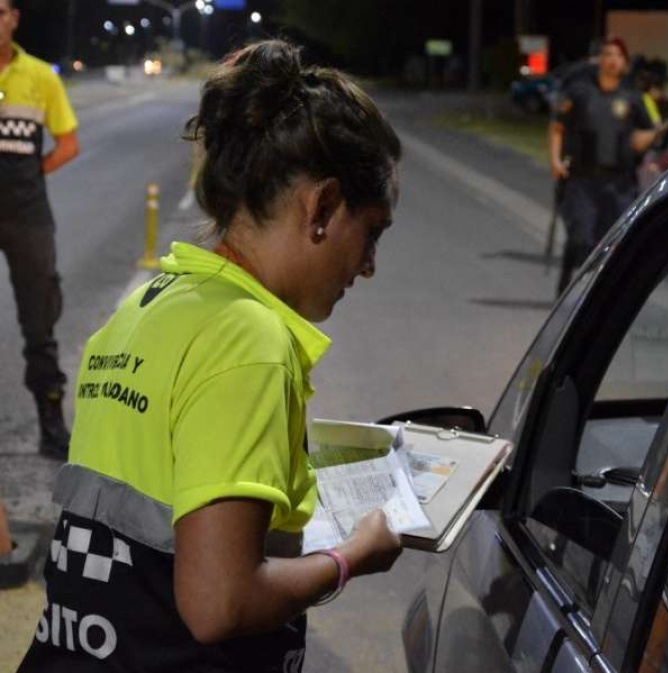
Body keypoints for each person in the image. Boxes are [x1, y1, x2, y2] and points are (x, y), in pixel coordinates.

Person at [17, 39, 403, 672]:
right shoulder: (251, 343)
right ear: (325, 205)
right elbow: (218, 604)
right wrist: (351, 558)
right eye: (372, 232)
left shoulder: (147, 307)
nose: (367, 265)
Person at [0, 0, 80, 460]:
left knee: (40, 325)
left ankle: (52, 427)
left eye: (3, 11)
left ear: (14, 18)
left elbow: (68, 143)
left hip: (28, 216)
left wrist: (30, 174)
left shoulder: (40, 76)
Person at [548, 37, 665, 296]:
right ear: (600, 60)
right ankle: (569, 289)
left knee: (613, 243)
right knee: (581, 239)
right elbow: (557, 127)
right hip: (582, 179)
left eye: (617, 56)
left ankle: (597, 295)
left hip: (619, 183)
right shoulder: (579, 92)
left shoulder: (633, 98)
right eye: (607, 55)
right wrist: (555, 161)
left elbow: (642, 139)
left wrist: (657, 133)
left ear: (624, 63)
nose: (612, 60)